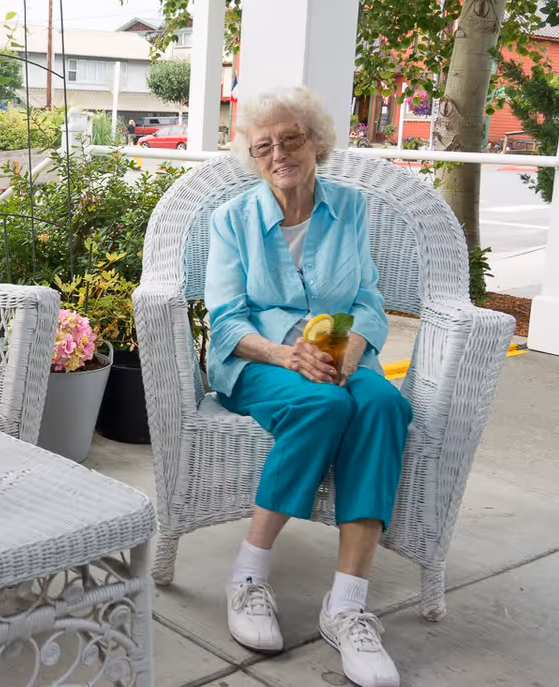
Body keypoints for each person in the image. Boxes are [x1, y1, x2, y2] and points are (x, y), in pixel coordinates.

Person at [204, 86, 412, 687]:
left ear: (316, 141)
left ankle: (347, 605)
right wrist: (283, 355)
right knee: (321, 404)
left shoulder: (350, 207)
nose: (279, 154)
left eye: (291, 139)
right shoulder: (233, 218)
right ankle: (247, 574)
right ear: (253, 155)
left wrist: (357, 344)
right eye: (264, 145)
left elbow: (368, 296)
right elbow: (226, 319)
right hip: (256, 361)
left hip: (336, 351)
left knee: (382, 405)